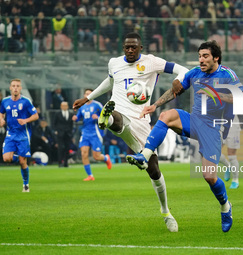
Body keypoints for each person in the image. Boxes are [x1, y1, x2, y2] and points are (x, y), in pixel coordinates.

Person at [72, 32, 189, 232]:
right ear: (123, 48)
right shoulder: (114, 63)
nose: (130, 50)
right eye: (127, 47)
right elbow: (110, 82)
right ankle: (107, 118)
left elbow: (182, 69)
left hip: (142, 120)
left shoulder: (151, 62)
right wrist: (89, 98)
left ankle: (165, 212)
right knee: (117, 120)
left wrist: (179, 79)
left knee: (154, 170)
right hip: (120, 112)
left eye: (134, 47)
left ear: (140, 48)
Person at [127, 40, 243, 232]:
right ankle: (145, 155)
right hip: (194, 120)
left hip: (213, 128)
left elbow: (241, 98)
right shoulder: (195, 74)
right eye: (199, 56)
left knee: (209, 177)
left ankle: (225, 207)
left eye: (205, 56)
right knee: (166, 116)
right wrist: (154, 106)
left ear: (216, 57)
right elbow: (175, 91)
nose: (201, 60)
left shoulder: (227, 74)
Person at [0, 78, 39, 192]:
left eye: (18, 86)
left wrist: (26, 120)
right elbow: (1, 113)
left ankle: (25, 184)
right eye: (14, 86)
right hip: (10, 134)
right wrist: (1, 120)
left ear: (20, 88)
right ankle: (20, 155)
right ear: (10, 88)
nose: (16, 88)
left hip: (23, 135)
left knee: (23, 162)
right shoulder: (5, 101)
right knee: (6, 158)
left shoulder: (26, 101)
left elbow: (35, 115)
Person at [72, 89, 112, 181]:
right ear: (84, 95)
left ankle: (106, 158)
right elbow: (79, 117)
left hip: (95, 133)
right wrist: (76, 118)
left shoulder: (97, 105)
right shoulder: (82, 106)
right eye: (86, 93)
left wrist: (98, 117)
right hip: (85, 133)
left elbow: (106, 116)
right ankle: (90, 175)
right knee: (84, 154)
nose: (87, 95)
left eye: (89, 94)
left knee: (96, 157)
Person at [220, 115, 241, 189]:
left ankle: (235, 180)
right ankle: (228, 166)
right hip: (218, 122)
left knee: (231, 154)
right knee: (215, 152)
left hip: (233, 124)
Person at [54, 101, 74, 168]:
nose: (65, 107)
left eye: (66, 105)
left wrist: (71, 133)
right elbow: (55, 123)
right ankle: (60, 163)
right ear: (61, 106)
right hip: (60, 133)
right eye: (63, 106)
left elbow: (71, 124)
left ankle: (66, 163)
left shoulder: (71, 114)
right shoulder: (57, 114)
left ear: (68, 106)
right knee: (60, 148)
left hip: (68, 133)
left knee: (67, 148)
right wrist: (56, 130)